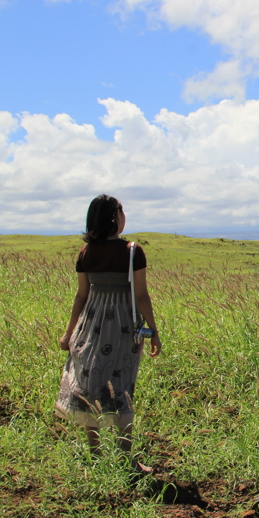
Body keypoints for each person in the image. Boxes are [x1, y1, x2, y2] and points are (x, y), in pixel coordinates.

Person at [55, 194, 162, 459]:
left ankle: (96, 454)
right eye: (122, 211)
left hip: (89, 327)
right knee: (123, 386)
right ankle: (126, 457)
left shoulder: (86, 252)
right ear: (115, 217)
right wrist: (154, 330)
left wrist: (69, 332)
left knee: (90, 386)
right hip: (123, 328)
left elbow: (81, 295)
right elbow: (141, 296)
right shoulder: (132, 251)